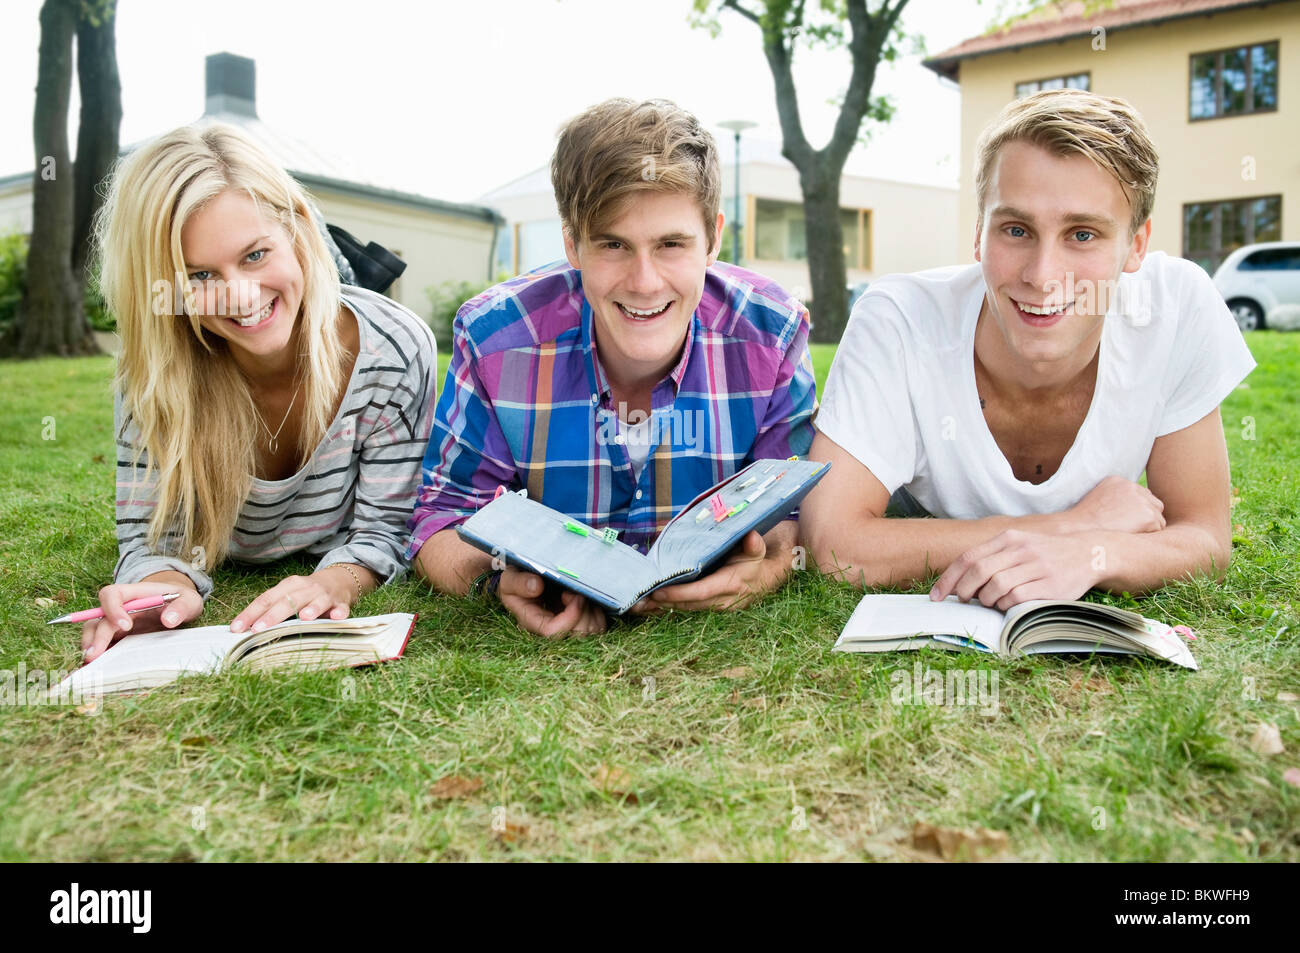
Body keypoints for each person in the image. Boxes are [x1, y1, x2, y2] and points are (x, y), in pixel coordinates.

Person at [802, 89, 1255, 609]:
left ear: (1136, 245)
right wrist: (1071, 527)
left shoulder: (1176, 308)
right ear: (978, 234)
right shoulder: (898, 318)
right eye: (1016, 230)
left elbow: (1203, 536)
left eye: (1082, 235)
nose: (1042, 277)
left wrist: (1093, 556)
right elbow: (836, 546)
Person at [408, 98, 817, 637]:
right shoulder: (494, 340)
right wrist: (496, 579)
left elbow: (794, 515)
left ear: (714, 239)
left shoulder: (772, 331)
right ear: (572, 243)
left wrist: (763, 574)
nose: (645, 282)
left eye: (671, 244)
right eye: (613, 244)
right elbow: (443, 514)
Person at [83, 122, 436, 660]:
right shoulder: (153, 372)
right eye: (200, 276)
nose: (241, 296)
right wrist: (165, 590)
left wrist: (337, 582)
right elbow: (151, 539)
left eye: (254, 255)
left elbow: (386, 532)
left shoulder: (393, 349)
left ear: (297, 231)